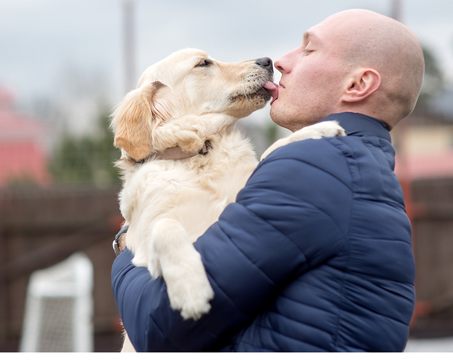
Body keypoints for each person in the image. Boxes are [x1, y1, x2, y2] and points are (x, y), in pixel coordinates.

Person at [111, 9, 424, 352]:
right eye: (204, 65)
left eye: (308, 50)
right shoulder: (357, 164)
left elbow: (161, 328)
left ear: (358, 84)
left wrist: (126, 254)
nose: (282, 61)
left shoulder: (317, 166)